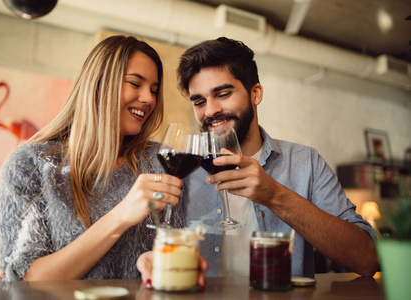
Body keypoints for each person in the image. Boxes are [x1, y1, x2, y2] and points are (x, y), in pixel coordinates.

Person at [137, 37, 379, 282]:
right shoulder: (180, 168)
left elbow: (368, 260)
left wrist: (274, 195)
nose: (210, 111)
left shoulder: (306, 162)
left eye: (223, 94)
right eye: (199, 101)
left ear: (255, 93)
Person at [0, 35, 185, 281]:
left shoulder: (158, 162)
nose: (149, 98)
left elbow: (174, 258)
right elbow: (24, 281)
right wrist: (120, 216)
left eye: (154, 90)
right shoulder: (29, 165)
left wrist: (163, 264)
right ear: (99, 84)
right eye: (135, 84)